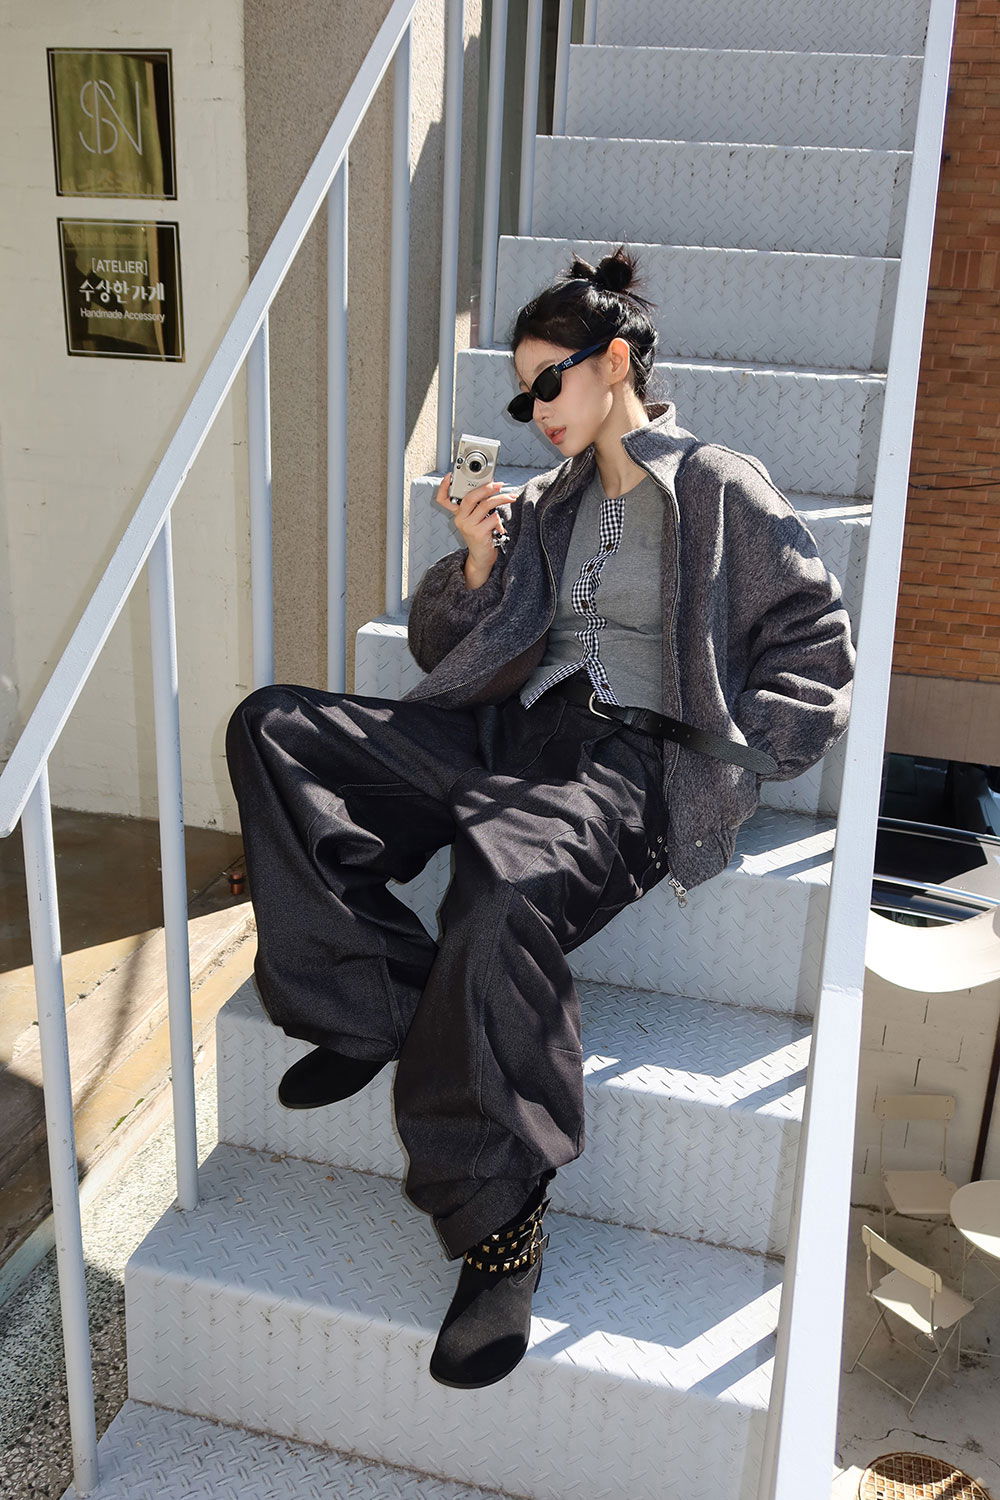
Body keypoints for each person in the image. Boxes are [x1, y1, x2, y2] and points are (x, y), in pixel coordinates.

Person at [224, 244, 856, 1392]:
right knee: (276, 728)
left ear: (613, 363)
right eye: (521, 395)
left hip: (624, 766)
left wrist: (736, 754)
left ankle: (500, 1226)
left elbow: (812, 638)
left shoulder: (714, 482)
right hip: (511, 737)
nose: (534, 411)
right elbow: (449, 649)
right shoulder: (550, 504)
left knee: (497, 899)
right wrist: (477, 560)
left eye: (546, 383)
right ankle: (375, 1001)